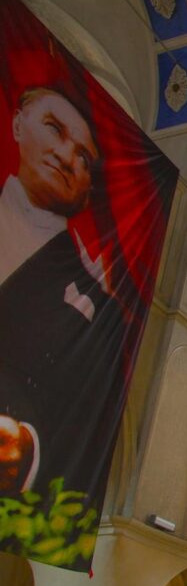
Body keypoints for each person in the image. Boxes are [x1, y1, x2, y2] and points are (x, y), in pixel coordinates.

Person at [0, 86, 125, 498]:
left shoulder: (96, 301)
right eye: (53, 129)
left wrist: (28, 449)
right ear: (18, 124)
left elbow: (87, 419)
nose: (66, 156)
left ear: (89, 187)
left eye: (84, 157)